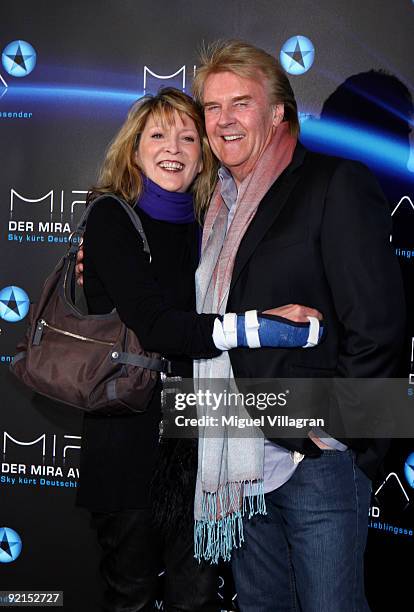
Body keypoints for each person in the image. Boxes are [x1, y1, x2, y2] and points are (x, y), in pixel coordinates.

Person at [76, 87, 322, 612]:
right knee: (132, 597)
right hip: (128, 439)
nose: (175, 147)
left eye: (189, 136)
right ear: (133, 148)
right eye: (159, 135)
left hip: (199, 441)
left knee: (195, 598)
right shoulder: (111, 218)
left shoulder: (210, 227)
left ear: (203, 153)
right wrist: (258, 327)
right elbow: (159, 327)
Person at [190, 40, 406, 611]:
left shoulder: (334, 183)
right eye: (212, 107)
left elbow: (378, 325)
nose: (224, 120)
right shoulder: (215, 203)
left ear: (279, 111)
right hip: (238, 465)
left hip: (313, 463)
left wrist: (329, 435)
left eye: (241, 103)